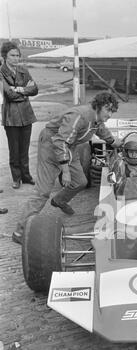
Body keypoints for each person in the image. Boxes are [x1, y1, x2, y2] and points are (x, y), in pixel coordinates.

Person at [12, 91, 122, 244]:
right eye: (108, 109)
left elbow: (103, 133)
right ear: (98, 106)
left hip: (70, 147)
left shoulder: (97, 121)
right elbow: (60, 141)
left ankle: (59, 200)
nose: (110, 114)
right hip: (51, 145)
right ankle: (20, 230)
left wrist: (117, 142)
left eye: (112, 111)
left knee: (80, 182)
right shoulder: (80, 116)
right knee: (43, 192)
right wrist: (65, 171)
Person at [0, 41, 38, 189]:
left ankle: (26, 176)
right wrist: (24, 91)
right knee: (14, 149)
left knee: (25, 148)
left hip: (26, 114)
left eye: (18, 55)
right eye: (12, 55)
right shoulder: (1, 72)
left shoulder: (23, 70)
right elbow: (9, 94)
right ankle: (16, 178)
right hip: (11, 116)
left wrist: (19, 90)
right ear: (5, 56)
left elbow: (35, 89)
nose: (16, 58)